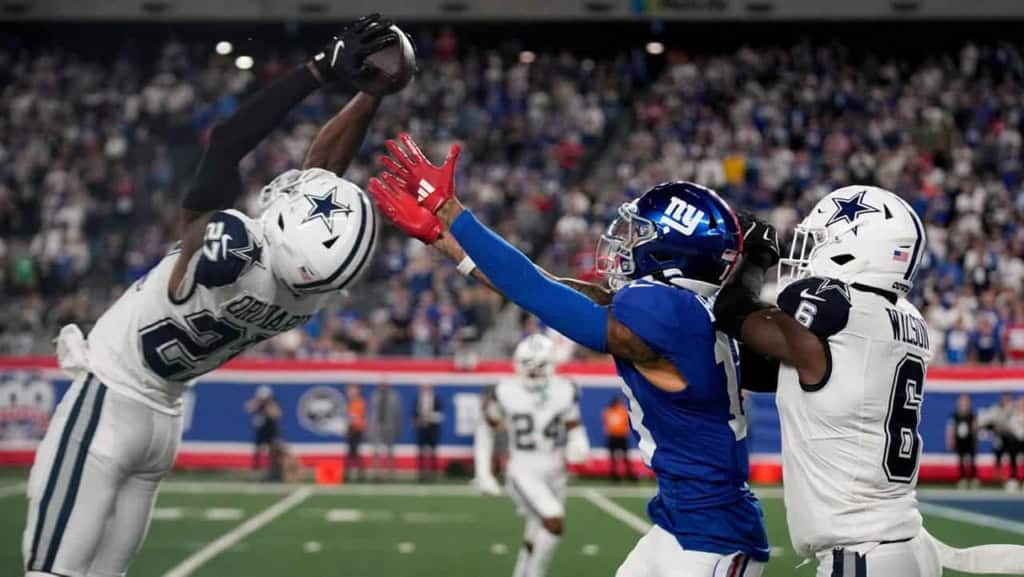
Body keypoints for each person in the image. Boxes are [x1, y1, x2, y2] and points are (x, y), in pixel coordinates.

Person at [21, 15, 403, 577]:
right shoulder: (308, 296)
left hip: (109, 399)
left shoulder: (228, 250)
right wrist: (371, 95)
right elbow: (325, 169)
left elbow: (228, 143)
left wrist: (319, 71)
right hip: (162, 425)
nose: (299, 186)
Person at [369, 135, 770, 575]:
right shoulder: (688, 314)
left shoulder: (669, 314)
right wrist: (443, 240)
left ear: (675, 251)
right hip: (683, 522)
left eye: (642, 232)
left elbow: (538, 293)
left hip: (711, 536)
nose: (626, 241)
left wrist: (452, 211)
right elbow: (544, 286)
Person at [712, 185, 1024, 575]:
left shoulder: (841, 312)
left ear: (858, 246)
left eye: (822, 241)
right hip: (897, 544)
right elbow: (780, 375)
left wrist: (755, 259)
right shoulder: (904, 318)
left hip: (863, 554)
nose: (809, 253)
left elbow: (734, 312)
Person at [475, 334, 588, 577]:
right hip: (523, 467)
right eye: (528, 366)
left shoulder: (564, 388)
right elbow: (486, 428)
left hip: (556, 467)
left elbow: (573, 425)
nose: (533, 373)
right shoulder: (506, 390)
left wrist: (579, 445)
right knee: (553, 520)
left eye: (538, 366)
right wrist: (482, 472)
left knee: (536, 531)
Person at [980, 393, 1017, 488]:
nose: (1006, 401)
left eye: (1007, 399)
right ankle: (999, 478)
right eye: (1004, 398)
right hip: (999, 437)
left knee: (1012, 457)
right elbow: (988, 421)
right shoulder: (996, 409)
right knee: (998, 457)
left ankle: (1013, 477)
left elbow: (1015, 423)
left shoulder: (1013, 409)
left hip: (1010, 438)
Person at [369, 382, 402, 480]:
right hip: (377, 426)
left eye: (384, 385)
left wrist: (397, 428)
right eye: (381, 385)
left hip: (390, 427)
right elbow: (372, 413)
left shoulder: (394, 397)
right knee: (376, 452)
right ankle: (377, 474)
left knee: (390, 452)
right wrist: (370, 428)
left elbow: (397, 414)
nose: (383, 387)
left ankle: (390, 474)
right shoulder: (375, 396)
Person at [245, 385, 281, 471]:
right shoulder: (258, 403)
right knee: (257, 449)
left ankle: (272, 469)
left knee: (272, 450)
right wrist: (258, 402)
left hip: (271, 430)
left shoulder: (273, 403)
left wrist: (268, 405)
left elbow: (276, 414)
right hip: (261, 430)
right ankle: (256, 468)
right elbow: (248, 408)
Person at [947, 394, 978, 488]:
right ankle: (962, 478)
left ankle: (973, 478)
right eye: (962, 402)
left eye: (966, 402)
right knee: (961, 459)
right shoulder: (955, 415)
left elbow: (975, 427)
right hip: (960, 440)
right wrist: (950, 439)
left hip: (970, 440)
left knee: (971, 459)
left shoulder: (972, 414)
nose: (964, 404)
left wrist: (976, 439)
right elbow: (951, 428)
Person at [414, 383, 443, 482]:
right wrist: (417, 420)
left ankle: (433, 474)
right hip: (421, 429)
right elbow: (414, 415)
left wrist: (428, 416)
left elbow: (440, 415)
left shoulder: (436, 400)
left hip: (432, 430)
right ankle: (421, 475)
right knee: (421, 453)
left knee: (433, 453)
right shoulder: (418, 400)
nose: (425, 390)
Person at [602, 396, 634, 481]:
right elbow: (607, 423)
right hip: (613, 437)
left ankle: (629, 474)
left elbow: (627, 423)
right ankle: (614, 475)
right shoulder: (609, 411)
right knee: (613, 458)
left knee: (625, 457)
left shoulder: (622, 411)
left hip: (621, 436)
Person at [345, 384, 367, 482]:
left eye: (353, 390)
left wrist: (352, 420)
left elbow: (357, 417)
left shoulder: (359, 402)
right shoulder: (351, 402)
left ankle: (359, 474)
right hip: (351, 429)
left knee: (355, 452)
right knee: (351, 453)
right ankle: (350, 474)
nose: (350, 392)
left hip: (357, 430)